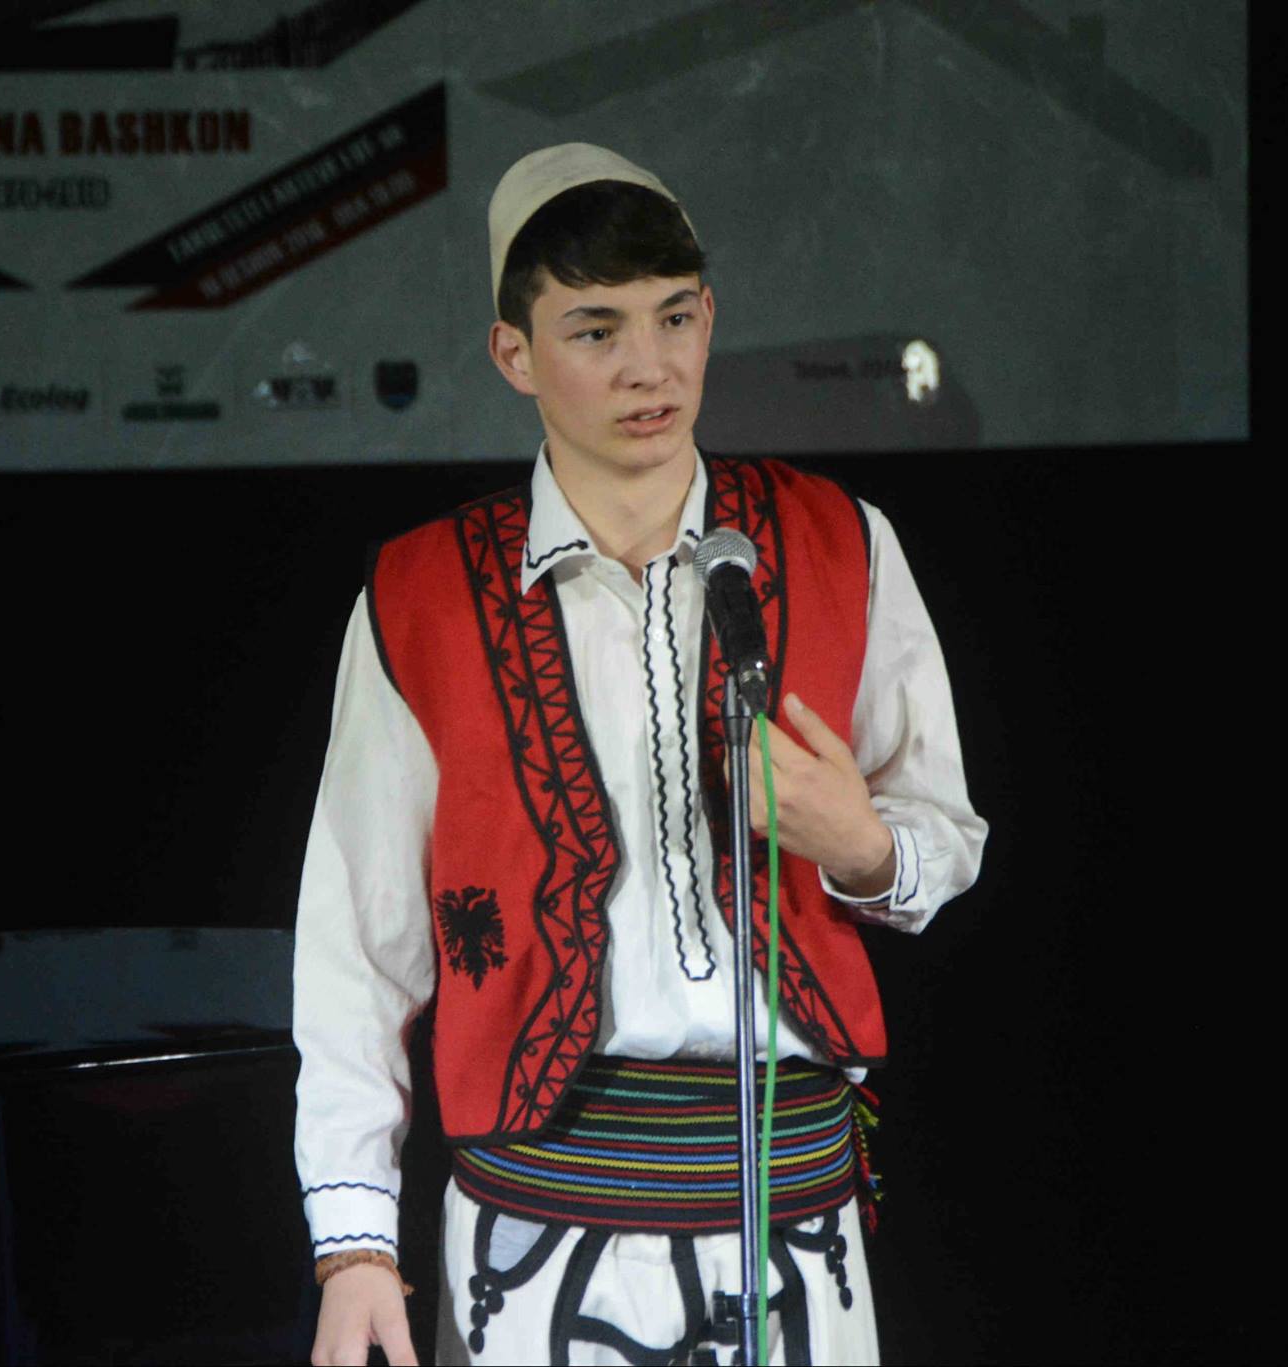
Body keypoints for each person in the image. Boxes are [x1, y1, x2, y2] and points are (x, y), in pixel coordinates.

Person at [293, 142, 988, 1366]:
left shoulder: (837, 542)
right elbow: (358, 945)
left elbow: (946, 837)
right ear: (514, 353)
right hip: (535, 1227)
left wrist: (862, 845)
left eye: (673, 316)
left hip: (792, 1220)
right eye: (594, 329)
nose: (647, 366)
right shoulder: (422, 594)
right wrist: (354, 1245)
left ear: (709, 316)